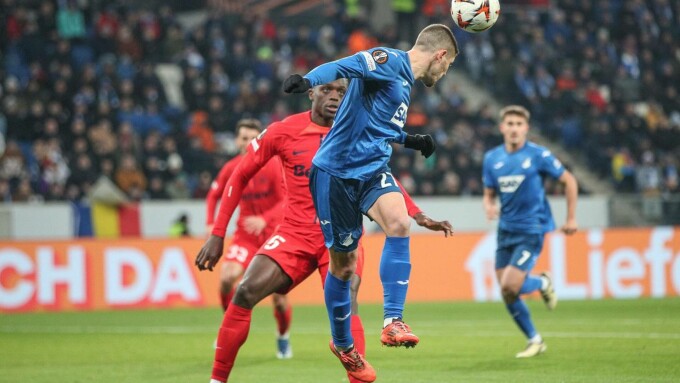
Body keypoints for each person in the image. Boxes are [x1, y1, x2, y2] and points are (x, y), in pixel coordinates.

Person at [195, 79, 453, 383]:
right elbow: (239, 175)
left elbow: (380, 178)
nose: (334, 96)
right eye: (327, 90)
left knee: (350, 297)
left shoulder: (358, 131)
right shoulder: (282, 131)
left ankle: (355, 373)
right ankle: (217, 380)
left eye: (341, 92)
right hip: (295, 234)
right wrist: (217, 232)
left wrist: (417, 214)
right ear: (311, 93)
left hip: (343, 235)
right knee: (244, 291)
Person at [282, 23, 459, 359]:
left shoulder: (404, 85)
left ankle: (393, 321)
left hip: (372, 170)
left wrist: (410, 140)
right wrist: (309, 80)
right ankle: (341, 341)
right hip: (335, 172)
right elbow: (344, 65)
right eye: (448, 65)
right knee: (344, 268)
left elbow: (376, 126)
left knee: (398, 222)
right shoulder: (389, 61)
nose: (445, 72)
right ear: (440, 55)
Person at [482, 105, 579, 358]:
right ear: (502, 127)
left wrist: (571, 218)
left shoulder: (539, 155)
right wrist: (489, 205)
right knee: (506, 291)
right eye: (510, 124)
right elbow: (489, 191)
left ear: (526, 128)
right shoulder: (492, 158)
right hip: (505, 231)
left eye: (518, 124)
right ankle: (535, 340)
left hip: (531, 229)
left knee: (511, 284)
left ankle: (542, 282)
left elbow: (569, 180)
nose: (514, 128)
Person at [204, 118, 291, 359]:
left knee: (279, 300)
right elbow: (213, 196)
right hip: (245, 236)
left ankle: (283, 336)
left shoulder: (273, 165)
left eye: (254, 138)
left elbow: (287, 198)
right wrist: (210, 223)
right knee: (226, 279)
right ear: (237, 141)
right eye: (244, 138)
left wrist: (265, 218)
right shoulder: (231, 167)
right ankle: (229, 327)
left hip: (274, 236)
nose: (249, 142)